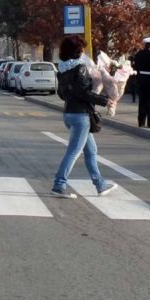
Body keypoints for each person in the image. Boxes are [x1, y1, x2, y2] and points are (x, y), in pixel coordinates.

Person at [51, 36, 119, 198]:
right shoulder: (80, 68)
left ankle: (100, 184)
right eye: (82, 49)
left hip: (69, 113)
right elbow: (83, 92)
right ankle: (59, 184)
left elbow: (62, 94)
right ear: (77, 51)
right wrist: (105, 100)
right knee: (74, 152)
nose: (83, 52)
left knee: (91, 151)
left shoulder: (62, 69)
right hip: (81, 115)